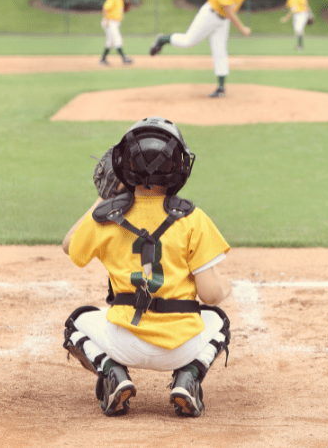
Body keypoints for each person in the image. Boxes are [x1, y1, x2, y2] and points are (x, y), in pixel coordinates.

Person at [62, 116, 232, 417]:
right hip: (181, 347)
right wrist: (226, 288)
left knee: (77, 322)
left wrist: (104, 199)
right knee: (218, 320)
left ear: (122, 166)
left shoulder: (108, 217)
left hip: (123, 341)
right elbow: (210, 295)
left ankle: (113, 372)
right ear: (180, 166)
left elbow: (69, 245)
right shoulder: (193, 218)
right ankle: (188, 376)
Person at [149, 0, 251, 98]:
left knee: (220, 52)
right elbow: (229, 11)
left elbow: (233, 7)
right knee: (187, 42)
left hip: (224, 21)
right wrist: (242, 29)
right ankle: (162, 40)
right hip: (210, 16)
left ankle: (221, 88)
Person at [100, 0, 133, 66]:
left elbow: (119, 11)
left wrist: (127, 8)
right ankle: (124, 59)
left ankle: (103, 60)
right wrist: (106, 20)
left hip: (114, 23)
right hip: (110, 22)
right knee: (117, 39)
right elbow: (105, 8)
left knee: (110, 42)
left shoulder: (120, 0)